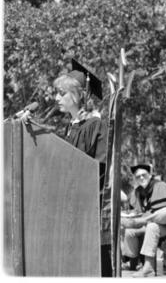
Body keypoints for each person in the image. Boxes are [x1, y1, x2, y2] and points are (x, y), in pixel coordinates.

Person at [53, 58, 112, 276]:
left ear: (79, 95)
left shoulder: (95, 126)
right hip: (69, 204)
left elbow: (100, 166)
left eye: (62, 93)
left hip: (87, 207)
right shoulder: (71, 127)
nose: (56, 98)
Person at [121, 163, 166, 277]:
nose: (141, 178)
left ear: (150, 175)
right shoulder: (137, 192)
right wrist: (131, 216)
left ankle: (147, 269)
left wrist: (140, 219)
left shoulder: (160, 186)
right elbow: (136, 212)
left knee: (151, 227)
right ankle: (134, 263)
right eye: (138, 176)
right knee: (129, 232)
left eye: (144, 175)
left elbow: (161, 214)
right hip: (147, 223)